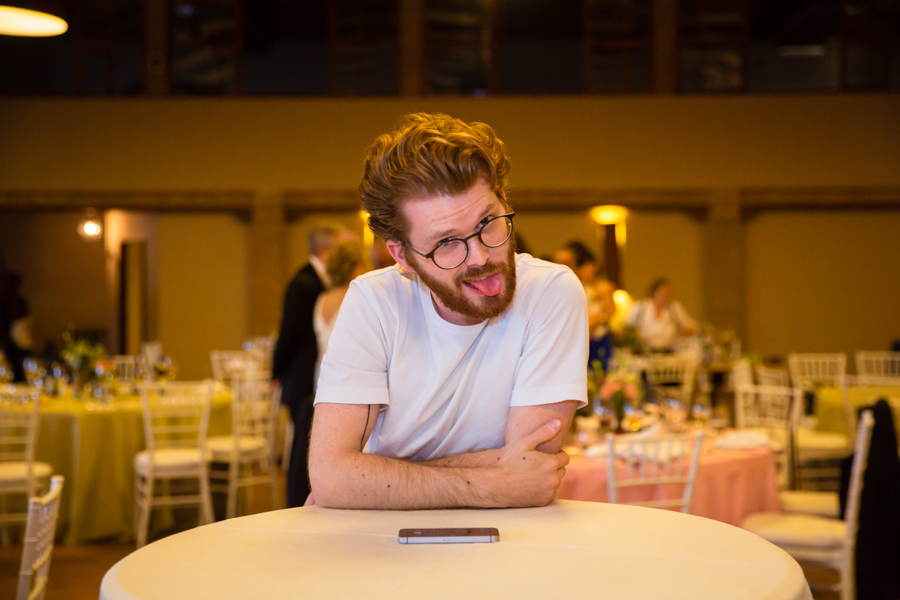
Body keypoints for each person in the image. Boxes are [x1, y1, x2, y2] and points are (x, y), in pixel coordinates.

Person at [308, 113, 587, 510]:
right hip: (378, 545)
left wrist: (371, 475)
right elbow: (331, 476)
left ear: (505, 200)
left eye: (488, 222)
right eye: (447, 243)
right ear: (402, 255)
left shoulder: (549, 292)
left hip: (510, 540)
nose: (481, 256)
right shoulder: (375, 301)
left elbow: (532, 467)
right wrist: (491, 484)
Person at [272, 227, 336, 508]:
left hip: (311, 376)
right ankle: (298, 503)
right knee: (301, 449)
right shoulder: (304, 283)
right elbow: (288, 334)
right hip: (300, 379)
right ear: (323, 251)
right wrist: (275, 373)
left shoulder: (320, 283)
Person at [554, 241, 616, 371]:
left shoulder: (602, 287)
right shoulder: (574, 287)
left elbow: (611, 310)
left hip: (598, 341)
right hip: (576, 341)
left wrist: (598, 320)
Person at [312, 240, 369, 381]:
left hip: (322, 374)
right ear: (355, 266)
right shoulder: (356, 297)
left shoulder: (322, 299)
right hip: (347, 376)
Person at [626, 277, 697, 351]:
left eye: (669, 293)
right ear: (655, 293)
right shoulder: (640, 308)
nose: (667, 296)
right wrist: (636, 337)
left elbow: (691, 326)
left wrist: (684, 331)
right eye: (665, 293)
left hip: (669, 351)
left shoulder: (674, 309)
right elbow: (627, 330)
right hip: (644, 351)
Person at [2, 272, 37, 382]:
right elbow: (27, 324)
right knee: (21, 375)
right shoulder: (19, 302)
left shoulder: (3, 301)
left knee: (15, 373)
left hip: (8, 343)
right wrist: (35, 342)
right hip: (20, 343)